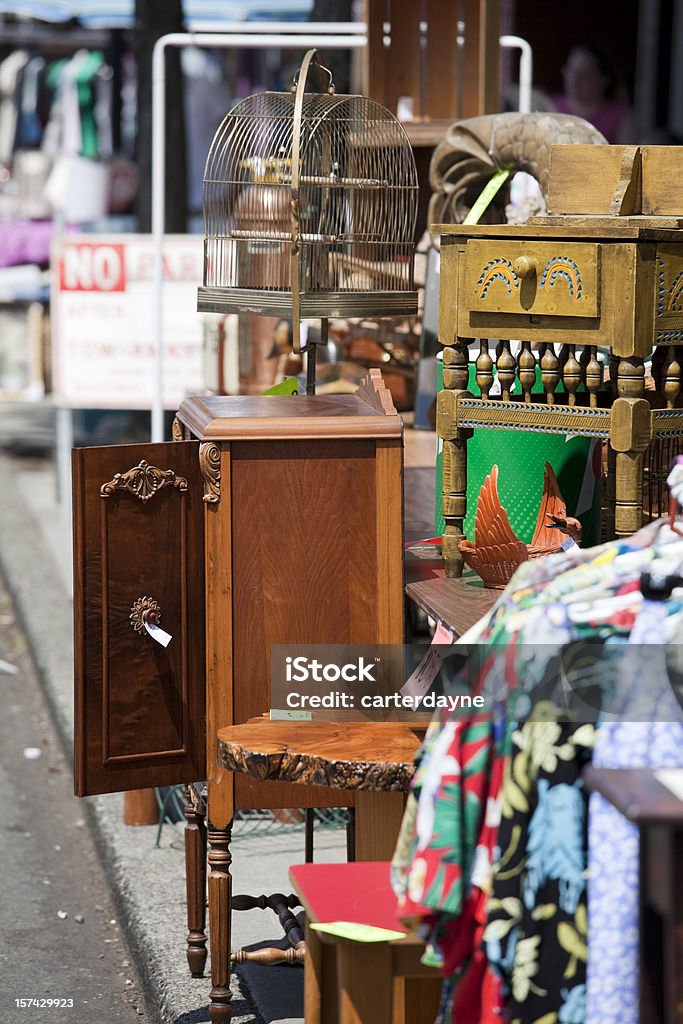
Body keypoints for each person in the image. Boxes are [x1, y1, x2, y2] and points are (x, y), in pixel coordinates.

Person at [552, 45, 636, 144]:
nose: (574, 80)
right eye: (571, 71)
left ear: (603, 80)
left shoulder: (621, 116)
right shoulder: (550, 107)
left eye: (585, 75)